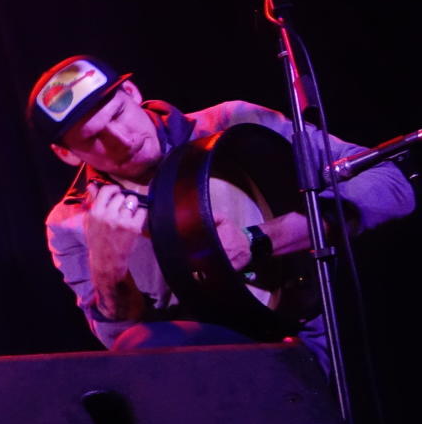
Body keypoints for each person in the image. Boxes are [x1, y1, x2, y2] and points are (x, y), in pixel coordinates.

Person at [30, 54, 414, 354]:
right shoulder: (69, 222)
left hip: (306, 335)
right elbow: (124, 347)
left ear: (131, 93)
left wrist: (259, 239)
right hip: (203, 370)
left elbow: (391, 183)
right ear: (66, 154)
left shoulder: (231, 122)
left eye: (118, 114)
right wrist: (108, 272)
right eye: (94, 138)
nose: (123, 139)